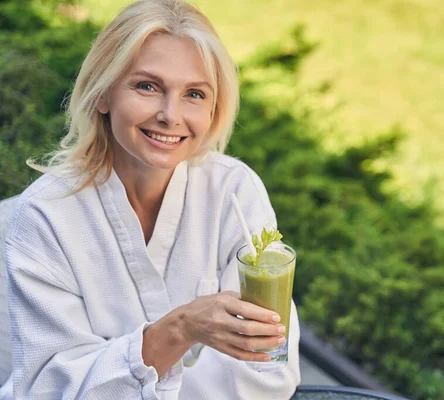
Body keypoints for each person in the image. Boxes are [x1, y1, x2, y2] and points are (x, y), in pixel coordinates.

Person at [4, 0, 301, 398]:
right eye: (147, 86)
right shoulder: (45, 219)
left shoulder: (234, 191)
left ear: (214, 110)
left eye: (194, 94)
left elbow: (268, 368)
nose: (170, 115)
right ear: (103, 94)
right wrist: (180, 329)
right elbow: (46, 388)